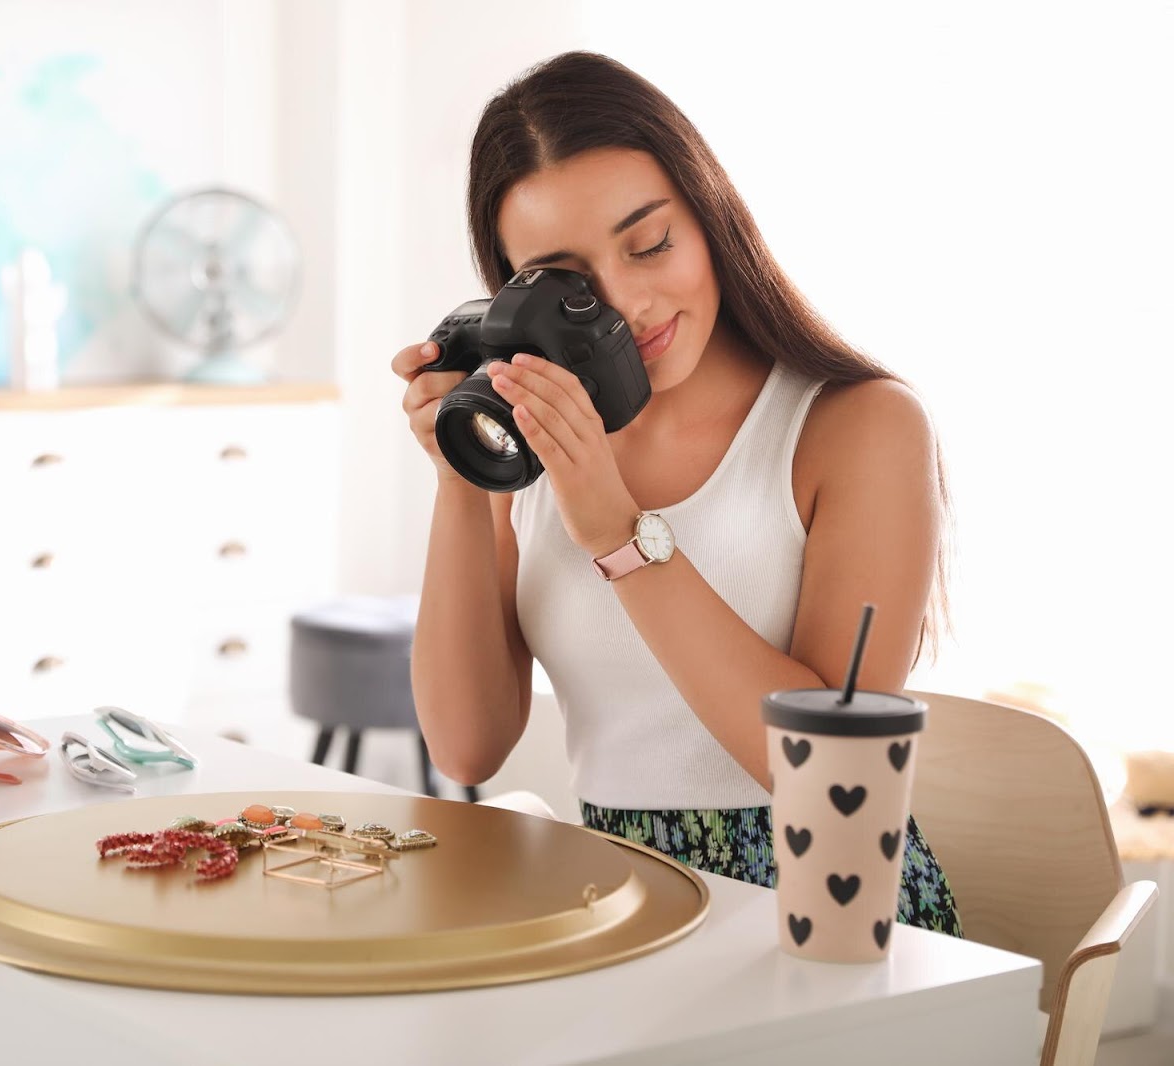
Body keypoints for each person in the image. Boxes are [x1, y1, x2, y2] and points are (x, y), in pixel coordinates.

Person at [392, 51, 961, 935]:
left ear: (711, 217)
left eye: (651, 243)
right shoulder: (538, 431)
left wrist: (618, 531)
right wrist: (464, 481)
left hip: (826, 914)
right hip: (614, 905)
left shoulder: (858, 426)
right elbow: (467, 745)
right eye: (572, 285)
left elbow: (820, 775)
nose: (631, 304)